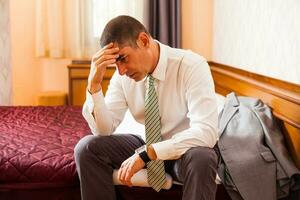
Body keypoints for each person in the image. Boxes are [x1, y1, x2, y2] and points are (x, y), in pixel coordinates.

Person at [74, 15, 219, 200]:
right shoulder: (123, 76)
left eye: (123, 59)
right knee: (86, 148)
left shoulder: (191, 66)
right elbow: (103, 130)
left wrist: (147, 153)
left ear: (143, 40)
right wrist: (93, 85)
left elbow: (206, 132)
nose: (121, 71)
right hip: (145, 145)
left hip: (184, 151)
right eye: (115, 63)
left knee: (203, 158)